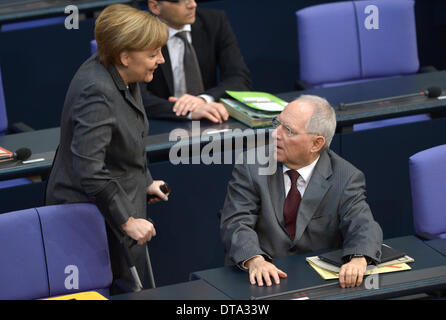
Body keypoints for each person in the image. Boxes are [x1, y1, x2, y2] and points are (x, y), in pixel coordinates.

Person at [45, 4, 170, 292]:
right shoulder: (97, 90)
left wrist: (146, 181)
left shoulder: (123, 73)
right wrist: (126, 221)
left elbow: (125, 142)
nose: (160, 60)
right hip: (90, 217)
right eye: (152, 54)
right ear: (124, 55)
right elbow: (89, 169)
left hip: (115, 204)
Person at [220, 95, 383, 289]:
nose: (275, 134)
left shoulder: (345, 177)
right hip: (258, 279)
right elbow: (236, 222)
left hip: (315, 281)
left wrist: (358, 259)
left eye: (288, 130)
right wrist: (255, 260)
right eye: (277, 124)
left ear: (316, 143)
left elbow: (363, 225)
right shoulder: (251, 165)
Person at [142, 0, 252, 123]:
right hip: (160, 122)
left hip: (210, 117)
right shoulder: (140, 31)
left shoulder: (214, 21)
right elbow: (137, 95)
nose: (192, 4)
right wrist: (187, 110)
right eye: (181, 1)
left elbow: (239, 79)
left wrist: (204, 99)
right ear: (155, 6)